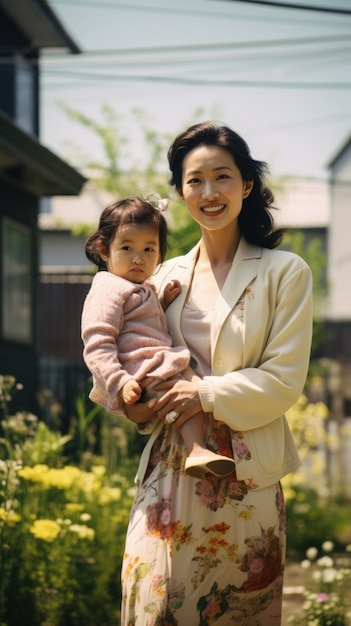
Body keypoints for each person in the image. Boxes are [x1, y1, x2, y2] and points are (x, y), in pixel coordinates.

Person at [120, 122, 313, 625]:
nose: (209, 193)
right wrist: (133, 400)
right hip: (169, 468)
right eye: (195, 180)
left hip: (245, 476)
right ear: (181, 191)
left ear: (246, 185)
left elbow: (283, 380)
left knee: (234, 611)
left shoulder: (284, 272)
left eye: (222, 177)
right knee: (153, 608)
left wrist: (200, 393)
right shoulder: (161, 276)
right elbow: (137, 362)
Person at [81, 196, 236, 478]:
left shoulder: (141, 287)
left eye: (149, 249)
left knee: (196, 387)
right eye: (127, 248)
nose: (138, 257)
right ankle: (198, 450)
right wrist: (121, 380)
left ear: (160, 254)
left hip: (159, 359)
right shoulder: (108, 287)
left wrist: (163, 301)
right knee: (180, 393)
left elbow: (142, 321)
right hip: (142, 368)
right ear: (104, 250)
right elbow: (97, 343)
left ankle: (202, 448)